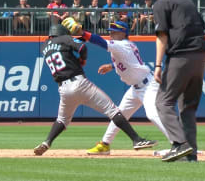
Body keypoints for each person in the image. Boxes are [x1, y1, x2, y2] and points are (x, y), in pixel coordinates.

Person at [33, 24, 157, 156]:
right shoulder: (64, 39)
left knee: (61, 120)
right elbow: (81, 47)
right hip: (80, 84)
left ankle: (47, 142)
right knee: (113, 111)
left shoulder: (44, 46)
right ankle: (136, 139)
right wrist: (82, 59)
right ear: (62, 33)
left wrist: (79, 38)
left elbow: (65, 44)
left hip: (63, 89)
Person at [62, 18, 170, 155]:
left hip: (147, 86)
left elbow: (100, 41)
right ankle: (105, 145)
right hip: (135, 88)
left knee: (153, 114)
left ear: (123, 33)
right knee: (118, 114)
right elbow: (128, 62)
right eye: (110, 31)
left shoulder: (122, 44)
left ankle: (179, 144)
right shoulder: (125, 45)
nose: (111, 33)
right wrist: (112, 66)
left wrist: (82, 32)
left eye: (115, 31)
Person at [152, 0, 205, 162]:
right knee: (188, 107)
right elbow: (202, 26)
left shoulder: (160, 4)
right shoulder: (187, 2)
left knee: (163, 102)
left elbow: (162, 36)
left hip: (181, 56)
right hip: (200, 55)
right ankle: (190, 154)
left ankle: (179, 144)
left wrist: (158, 65)